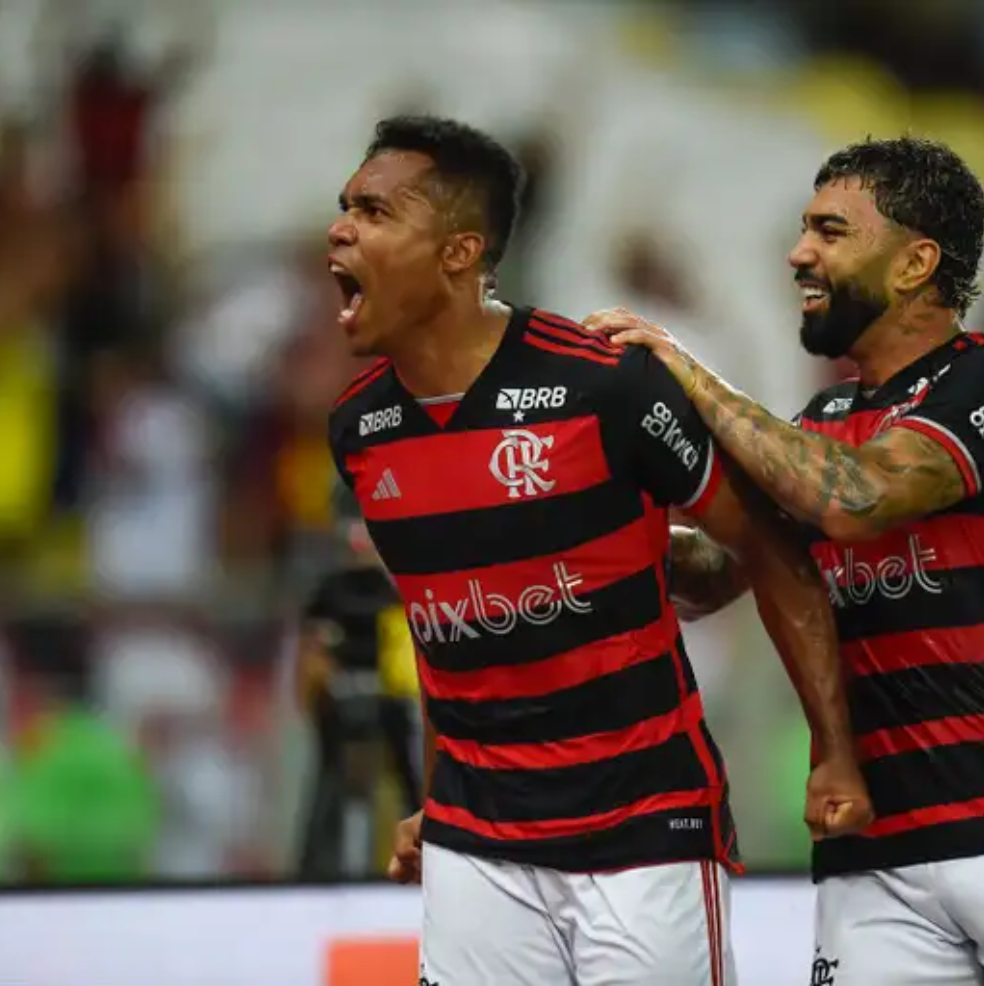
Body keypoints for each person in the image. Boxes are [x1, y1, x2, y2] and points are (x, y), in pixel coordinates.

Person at [585, 136, 984, 985]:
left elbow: (859, 498)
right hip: (871, 856)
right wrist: (565, 531)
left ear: (914, 263)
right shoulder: (821, 418)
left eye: (829, 231)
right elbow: (717, 572)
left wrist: (687, 375)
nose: (799, 254)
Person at [325, 114, 872, 985]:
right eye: (344, 206)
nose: (340, 228)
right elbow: (447, 636)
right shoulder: (359, 431)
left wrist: (832, 749)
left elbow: (769, 551)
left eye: (375, 211)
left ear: (458, 253)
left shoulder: (603, 387)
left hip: (641, 825)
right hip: (478, 833)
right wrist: (435, 799)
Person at [295, 483, 422, 878]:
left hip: (391, 696)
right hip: (343, 693)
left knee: (407, 779)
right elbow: (311, 654)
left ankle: (420, 854)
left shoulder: (395, 588)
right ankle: (314, 870)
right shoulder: (330, 591)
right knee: (329, 785)